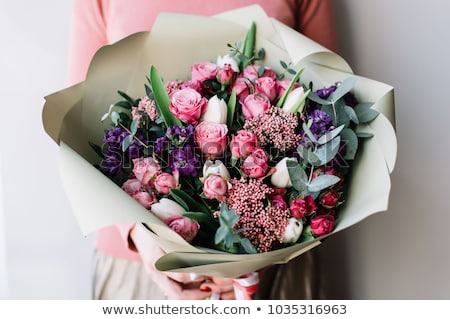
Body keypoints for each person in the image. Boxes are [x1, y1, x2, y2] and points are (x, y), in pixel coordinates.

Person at [68, 0, 337, 300]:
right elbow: (80, 123)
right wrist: (137, 234)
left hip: (279, 264)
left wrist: (265, 251)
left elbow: (329, 106)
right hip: (141, 268)